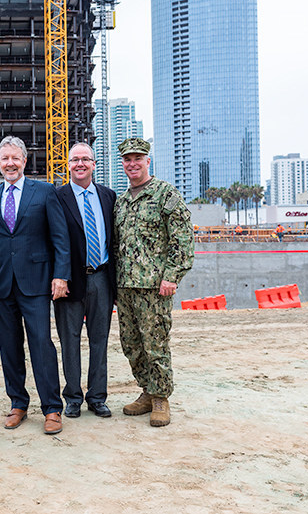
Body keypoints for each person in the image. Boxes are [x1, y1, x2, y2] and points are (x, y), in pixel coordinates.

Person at [0, 136, 71, 435]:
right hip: (3, 284)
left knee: (41, 345)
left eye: (15, 158)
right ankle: (18, 403)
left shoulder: (44, 192)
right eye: (5, 158)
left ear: (25, 161)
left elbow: (60, 238)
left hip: (37, 283)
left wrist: (61, 275)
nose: (10, 163)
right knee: (9, 348)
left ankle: (52, 408)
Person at [113, 138, 194, 427]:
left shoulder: (165, 195)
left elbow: (182, 240)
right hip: (124, 286)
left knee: (155, 342)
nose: (132, 163)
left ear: (148, 161)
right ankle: (147, 391)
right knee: (131, 344)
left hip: (154, 287)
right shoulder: (121, 202)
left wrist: (172, 276)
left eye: (138, 158)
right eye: (127, 159)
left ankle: (161, 398)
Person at [54, 143, 116, 419]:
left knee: (99, 339)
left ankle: (97, 397)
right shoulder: (57, 197)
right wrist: (59, 276)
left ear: (94, 164)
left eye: (85, 159)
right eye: (74, 159)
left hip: (101, 277)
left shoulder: (109, 196)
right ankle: (73, 397)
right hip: (70, 280)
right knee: (69, 340)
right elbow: (53, 241)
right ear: (68, 165)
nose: (80, 163)